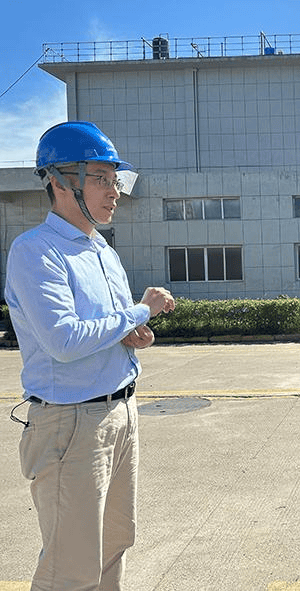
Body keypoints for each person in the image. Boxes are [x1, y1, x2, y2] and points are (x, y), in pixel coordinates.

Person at [5, 121, 176, 591]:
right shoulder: (37, 251)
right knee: (71, 566)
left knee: (115, 542)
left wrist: (132, 334)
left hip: (120, 412)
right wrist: (142, 309)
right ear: (60, 181)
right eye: (101, 178)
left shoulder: (102, 251)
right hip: (71, 424)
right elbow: (64, 339)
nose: (114, 191)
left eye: (115, 179)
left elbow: (107, 326)